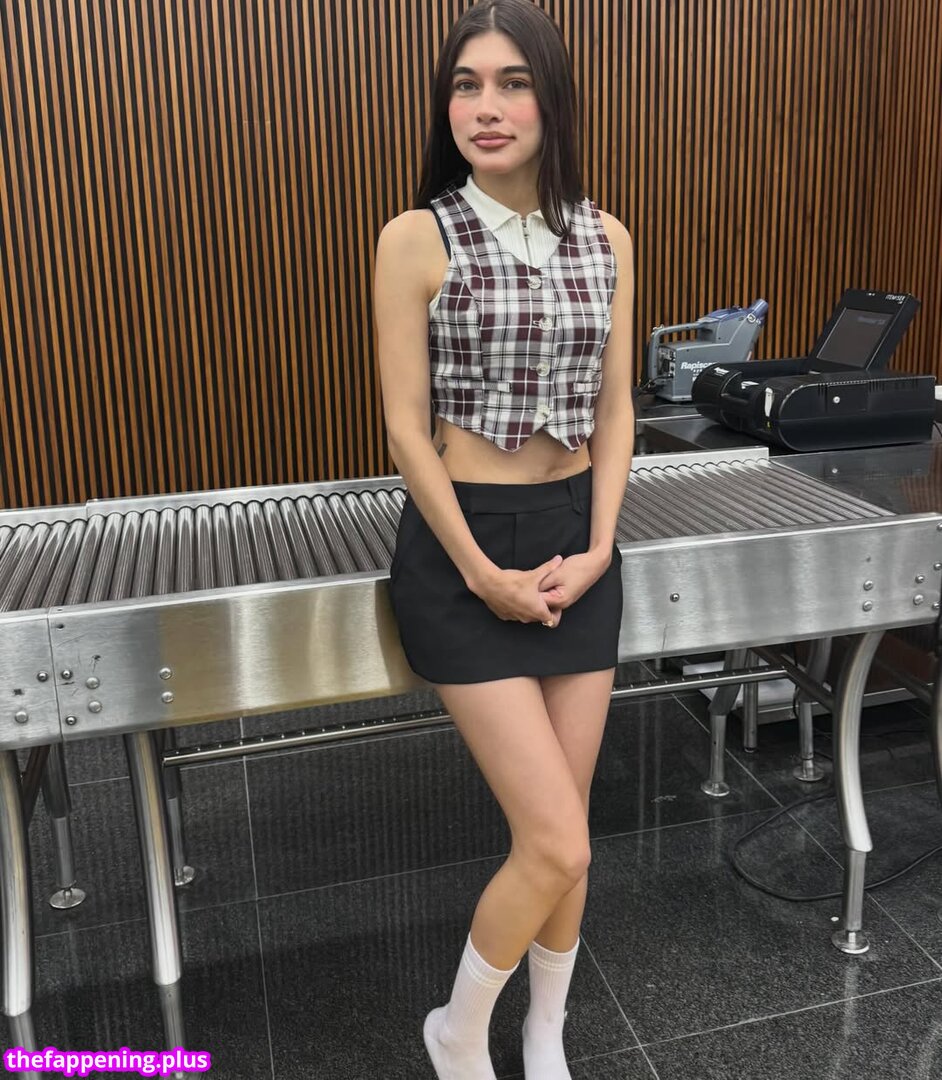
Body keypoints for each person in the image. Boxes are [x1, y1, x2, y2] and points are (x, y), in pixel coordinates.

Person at [373, 1, 634, 1076]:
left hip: (577, 541)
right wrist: (481, 573)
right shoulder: (416, 237)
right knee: (555, 838)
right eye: (467, 84)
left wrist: (604, 546)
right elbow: (405, 429)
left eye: (513, 83)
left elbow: (616, 407)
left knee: (567, 840)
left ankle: (545, 1033)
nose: (486, 106)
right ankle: (459, 1031)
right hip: (463, 549)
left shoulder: (607, 236)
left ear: (551, 99)